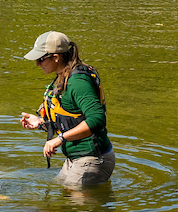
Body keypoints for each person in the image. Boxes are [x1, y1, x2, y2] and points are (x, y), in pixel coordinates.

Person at [19, 31, 114, 188]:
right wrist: (41, 123)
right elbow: (71, 119)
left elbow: (97, 119)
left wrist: (59, 139)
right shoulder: (63, 76)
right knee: (61, 200)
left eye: (40, 59)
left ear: (56, 57)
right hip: (76, 159)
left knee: (74, 210)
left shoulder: (77, 82)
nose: (37, 64)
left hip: (91, 159)